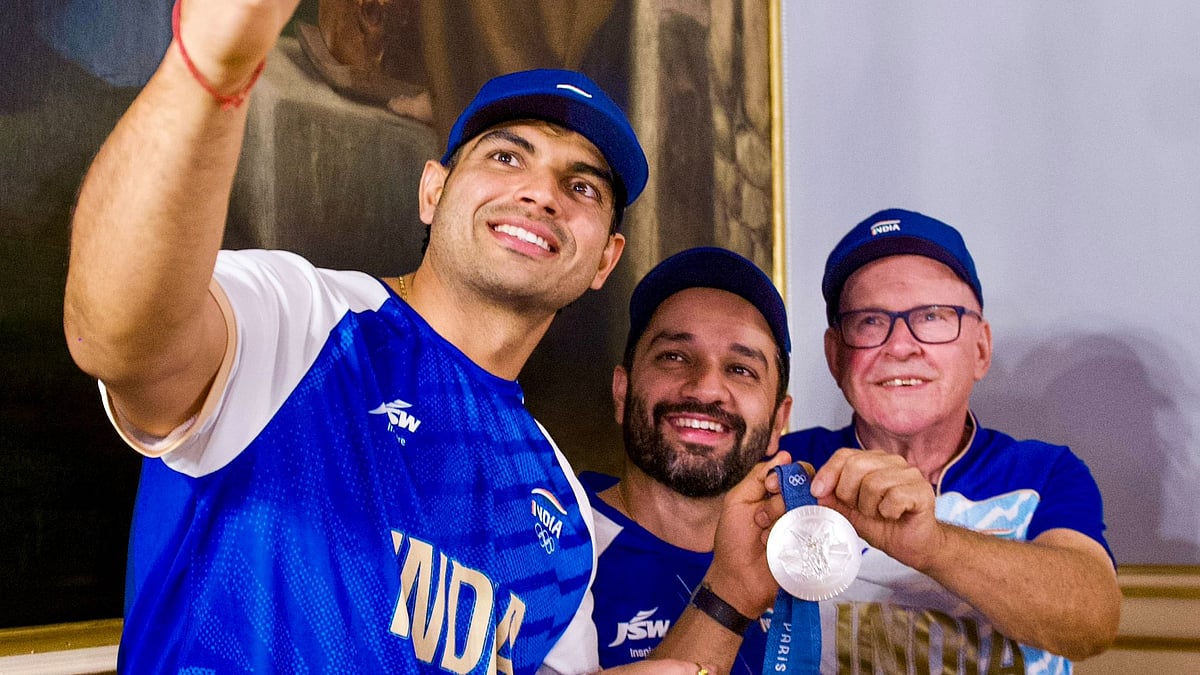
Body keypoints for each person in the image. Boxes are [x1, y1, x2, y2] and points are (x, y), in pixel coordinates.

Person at [61, 1, 788, 672]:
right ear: (433, 191)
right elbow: (116, 339)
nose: (541, 193)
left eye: (582, 187)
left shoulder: (562, 508)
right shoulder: (303, 321)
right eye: (507, 157)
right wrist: (208, 73)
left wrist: (728, 595)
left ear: (605, 259)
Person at [780, 208, 1121, 673]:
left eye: (933, 316)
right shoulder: (788, 468)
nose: (901, 346)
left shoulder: (1044, 473)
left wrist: (933, 545)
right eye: (870, 321)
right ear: (835, 356)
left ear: (980, 349)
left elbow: (1092, 622)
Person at [580, 248, 793, 673]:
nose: (706, 388)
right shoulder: (550, 542)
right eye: (674, 357)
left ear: (777, 421)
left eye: (741, 369)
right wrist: (730, 595)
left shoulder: (802, 558)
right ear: (622, 391)